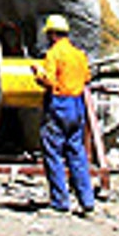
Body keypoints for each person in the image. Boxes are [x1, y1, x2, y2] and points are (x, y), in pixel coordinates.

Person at [30, 13, 96, 217]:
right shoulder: (79, 54)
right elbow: (86, 77)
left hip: (59, 105)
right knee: (77, 153)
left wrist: (37, 73)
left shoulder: (54, 54)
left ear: (51, 35)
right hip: (77, 105)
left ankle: (60, 201)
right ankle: (87, 201)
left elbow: (49, 80)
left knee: (53, 152)